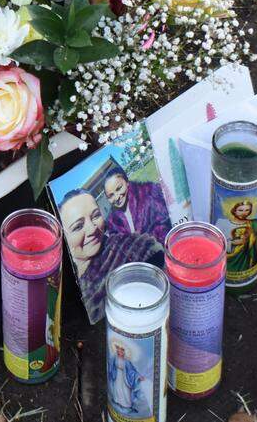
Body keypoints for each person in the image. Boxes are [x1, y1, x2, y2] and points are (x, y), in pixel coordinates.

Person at [58, 190, 162, 322]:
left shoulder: (135, 248)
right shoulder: (62, 283)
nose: (92, 229)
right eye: (78, 226)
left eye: (95, 216)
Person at [102, 166, 171, 243]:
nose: (117, 197)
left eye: (119, 188)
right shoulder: (113, 223)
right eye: (111, 195)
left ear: (127, 182)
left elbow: (165, 222)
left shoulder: (149, 194)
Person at [107, 338, 149, 416]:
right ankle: (118, 402)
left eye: (121, 350)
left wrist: (138, 376)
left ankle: (127, 406)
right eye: (118, 350)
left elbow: (132, 371)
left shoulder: (127, 362)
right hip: (117, 377)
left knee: (126, 392)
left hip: (125, 379)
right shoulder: (114, 358)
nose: (119, 352)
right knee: (118, 390)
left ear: (124, 352)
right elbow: (110, 366)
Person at [226, 199, 257, 274]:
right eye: (240, 210)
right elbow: (218, 241)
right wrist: (232, 243)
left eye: (247, 210)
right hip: (230, 258)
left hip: (246, 258)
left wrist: (247, 240)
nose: (244, 213)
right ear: (234, 211)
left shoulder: (254, 223)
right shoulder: (224, 222)